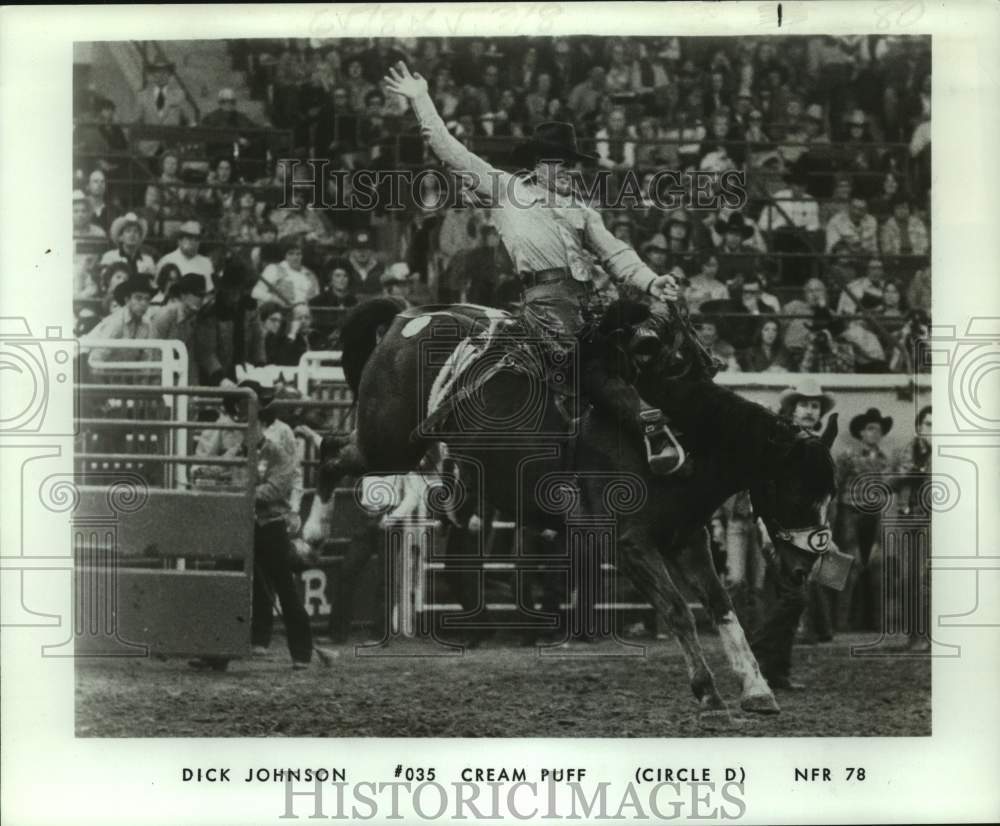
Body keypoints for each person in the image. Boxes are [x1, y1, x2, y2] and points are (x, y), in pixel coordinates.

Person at [384, 60, 684, 473]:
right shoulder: (505, 191)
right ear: (540, 166)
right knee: (586, 359)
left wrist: (653, 281)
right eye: (561, 164)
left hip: (591, 301)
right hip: (546, 308)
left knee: (649, 339)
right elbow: (449, 148)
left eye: (572, 164)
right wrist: (421, 99)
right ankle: (650, 426)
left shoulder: (581, 208)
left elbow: (615, 253)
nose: (570, 171)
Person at [191, 380, 314, 671]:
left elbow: (276, 488)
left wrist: (242, 494)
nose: (249, 429)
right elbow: (212, 469)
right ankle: (217, 652)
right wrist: (206, 473)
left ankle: (302, 652)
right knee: (226, 583)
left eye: (253, 423)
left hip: (269, 525)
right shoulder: (238, 452)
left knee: (284, 585)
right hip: (241, 524)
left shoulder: (278, 452)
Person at [750, 378, 837, 690]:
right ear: (792, 407)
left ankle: (777, 672)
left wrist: (823, 534)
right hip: (777, 530)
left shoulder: (818, 444)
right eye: (804, 404)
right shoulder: (780, 440)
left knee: (793, 597)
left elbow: (822, 496)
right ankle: (757, 652)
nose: (810, 410)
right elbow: (761, 486)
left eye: (815, 406)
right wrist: (763, 527)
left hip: (806, 534)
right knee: (793, 597)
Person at [831, 407, 893, 634]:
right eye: (870, 429)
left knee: (876, 566)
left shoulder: (885, 460)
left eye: (878, 430)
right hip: (850, 514)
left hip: (874, 517)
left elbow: (887, 493)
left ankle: (876, 624)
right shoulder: (848, 456)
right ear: (861, 433)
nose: (875, 434)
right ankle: (840, 623)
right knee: (850, 565)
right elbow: (836, 485)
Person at [890, 405, 932, 651]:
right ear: (918, 428)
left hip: (932, 521)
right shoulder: (904, 452)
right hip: (906, 519)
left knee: (926, 578)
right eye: (928, 425)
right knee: (907, 579)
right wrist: (908, 473)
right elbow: (888, 483)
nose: (932, 431)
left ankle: (926, 635)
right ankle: (914, 634)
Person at [193, 259, 266, 386]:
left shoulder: (250, 308)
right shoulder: (210, 312)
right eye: (231, 290)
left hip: (244, 371)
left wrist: (260, 367)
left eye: (239, 290)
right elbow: (206, 352)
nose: (235, 295)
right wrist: (220, 378)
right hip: (215, 377)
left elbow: (258, 340)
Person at [84, 273, 156, 363]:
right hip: (87, 360)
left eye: (147, 299)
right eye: (138, 298)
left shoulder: (147, 325)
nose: (143, 303)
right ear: (127, 300)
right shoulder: (116, 322)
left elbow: (146, 358)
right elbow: (97, 357)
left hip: (122, 372)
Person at [149, 274, 208, 382]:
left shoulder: (195, 319)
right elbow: (153, 354)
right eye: (196, 294)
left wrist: (193, 391)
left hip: (179, 376)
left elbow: (191, 360)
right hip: (159, 375)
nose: (200, 299)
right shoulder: (164, 316)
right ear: (183, 295)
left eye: (203, 295)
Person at [252, 238, 320, 307]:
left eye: (298, 254)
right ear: (285, 255)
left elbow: (315, 298)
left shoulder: (310, 275)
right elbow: (256, 292)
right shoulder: (274, 269)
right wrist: (276, 300)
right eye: (291, 253)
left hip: (304, 313)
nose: (295, 257)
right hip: (280, 311)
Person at [156, 221, 214, 290]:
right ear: (179, 240)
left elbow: (210, 290)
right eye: (189, 238)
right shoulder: (167, 260)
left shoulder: (206, 262)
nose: (193, 242)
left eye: (197, 239)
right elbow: (158, 288)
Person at [798, 307, 856, 373]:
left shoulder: (843, 342)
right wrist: (812, 347)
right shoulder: (814, 342)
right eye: (817, 330)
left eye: (823, 330)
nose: (821, 333)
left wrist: (832, 347)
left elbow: (848, 370)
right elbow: (804, 368)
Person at [99, 212, 156, 277]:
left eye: (136, 231)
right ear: (120, 237)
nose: (132, 234)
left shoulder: (148, 260)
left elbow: (152, 284)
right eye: (128, 231)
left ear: (140, 237)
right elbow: (105, 281)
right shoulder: (110, 257)